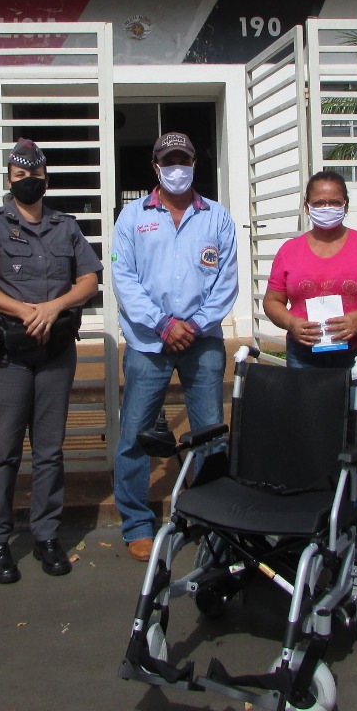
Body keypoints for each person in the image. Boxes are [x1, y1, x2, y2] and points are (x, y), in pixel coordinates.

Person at [0, 138, 101, 584]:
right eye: (20, 176)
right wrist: (26, 311)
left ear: (46, 179)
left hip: (55, 352)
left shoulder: (66, 226)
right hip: (8, 355)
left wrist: (54, 308)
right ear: (9, 179)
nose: (28, 182)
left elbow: (90, 280)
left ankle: (45, 535)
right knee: (2, 451)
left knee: (49, 451)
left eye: (35, 175)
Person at [111, 131, 239, 561]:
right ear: (156, 167)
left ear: (194, 164)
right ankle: (136, 523)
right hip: (149, 343)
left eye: (184, 159)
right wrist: (163, 324)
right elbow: (124, 280)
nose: (177, 167)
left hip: (202, 342)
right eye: (170, 160)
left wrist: (196, 324)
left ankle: (210, 519)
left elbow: (226, 281)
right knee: (134, 434)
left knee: (209, 435)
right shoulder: (131, 217)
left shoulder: (218, 217)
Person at [262, 169, 357, 563]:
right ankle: (311, 520)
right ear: (307, 206)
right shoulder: (290, 251)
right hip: (305, 357)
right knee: (307, 439)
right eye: (318, 202)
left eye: (334, 201)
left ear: (346, 205)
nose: (326, 208)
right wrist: (289, 322)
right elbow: (273, 301)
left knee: (356, 441)